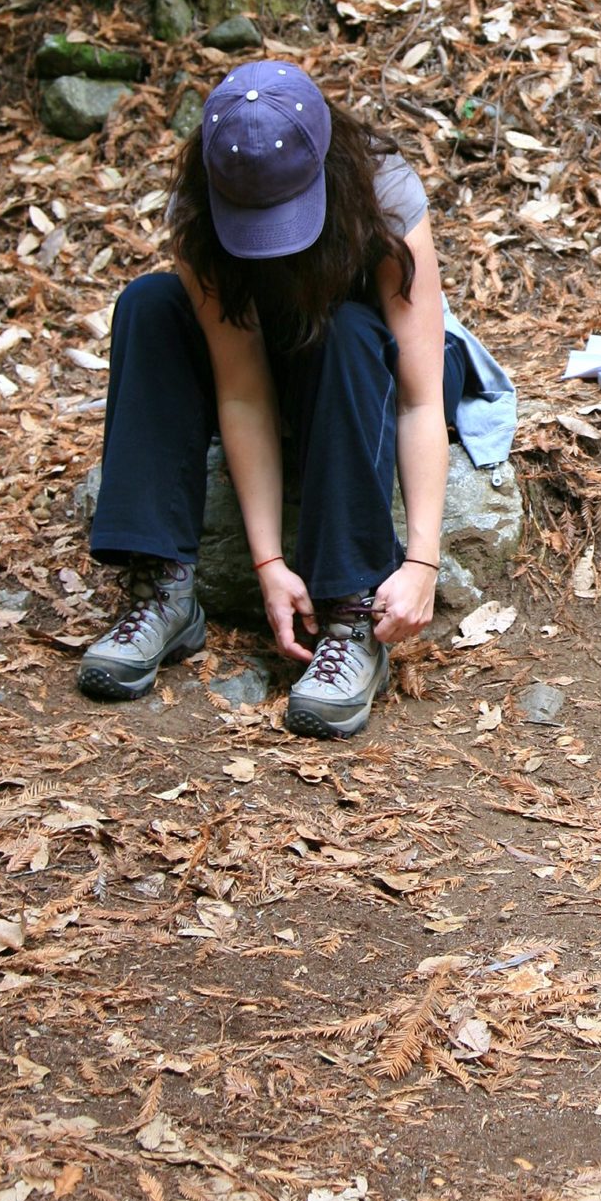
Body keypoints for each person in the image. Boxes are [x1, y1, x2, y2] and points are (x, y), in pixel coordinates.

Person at [77, 59, 514, 738]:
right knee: (149, 304)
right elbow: (243, 391)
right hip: (278, 366)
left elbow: (420, 399)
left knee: (343, 331)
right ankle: (163, 588)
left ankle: (349, 614)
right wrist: (268, 563)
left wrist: (423, 559)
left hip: (369, 364)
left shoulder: (385, 194)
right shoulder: (198, 205)